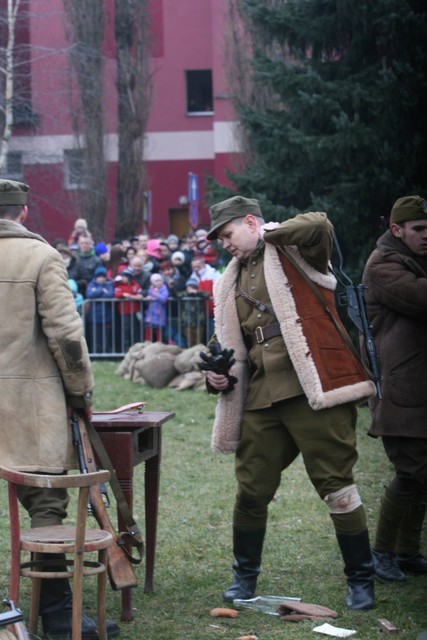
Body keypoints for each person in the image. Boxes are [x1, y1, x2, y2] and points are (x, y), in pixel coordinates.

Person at [204, 195, 377, 611]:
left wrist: (269, 233)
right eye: (221, 239)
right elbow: (229, 338)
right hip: (262, 398)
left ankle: (361, 580)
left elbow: (320, 223)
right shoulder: (229, 279)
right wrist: (217, 373)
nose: (225, 244)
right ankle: (243, 578)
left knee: (338, 489)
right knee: (250, 491)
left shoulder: (298, 250)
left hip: (315, 385)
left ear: (250, 222)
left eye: (229, 234)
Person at [0, 179, 119, 638]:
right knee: (46, 502)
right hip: (29, 409)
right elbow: (67, 338)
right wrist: (80, 392)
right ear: (24, 212)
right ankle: (54, 614)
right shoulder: (42, 257)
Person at [362, 195, 427, 582]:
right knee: (411, 473)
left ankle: (406, 553)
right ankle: (380, 553)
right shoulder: (384, 265)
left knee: (422, 476)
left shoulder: (413, 261)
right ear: (396, 229)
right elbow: (421, 298)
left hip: (418, 386)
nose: (426, 237)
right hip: (400, 390)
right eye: (419, 230)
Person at [85, 265, 115, 354]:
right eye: (99, 277)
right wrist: (102, 290)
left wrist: (96, 291)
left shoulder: (109, 284)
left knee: (106, 336)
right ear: (96, 277)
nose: (101, 279)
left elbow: (110, 295)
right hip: (94, 317)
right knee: (96, 336)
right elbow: (89, 295)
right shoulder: (91, 284)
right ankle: (96, 352)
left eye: (103, 277)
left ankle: (106, 352)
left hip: (107, 316)